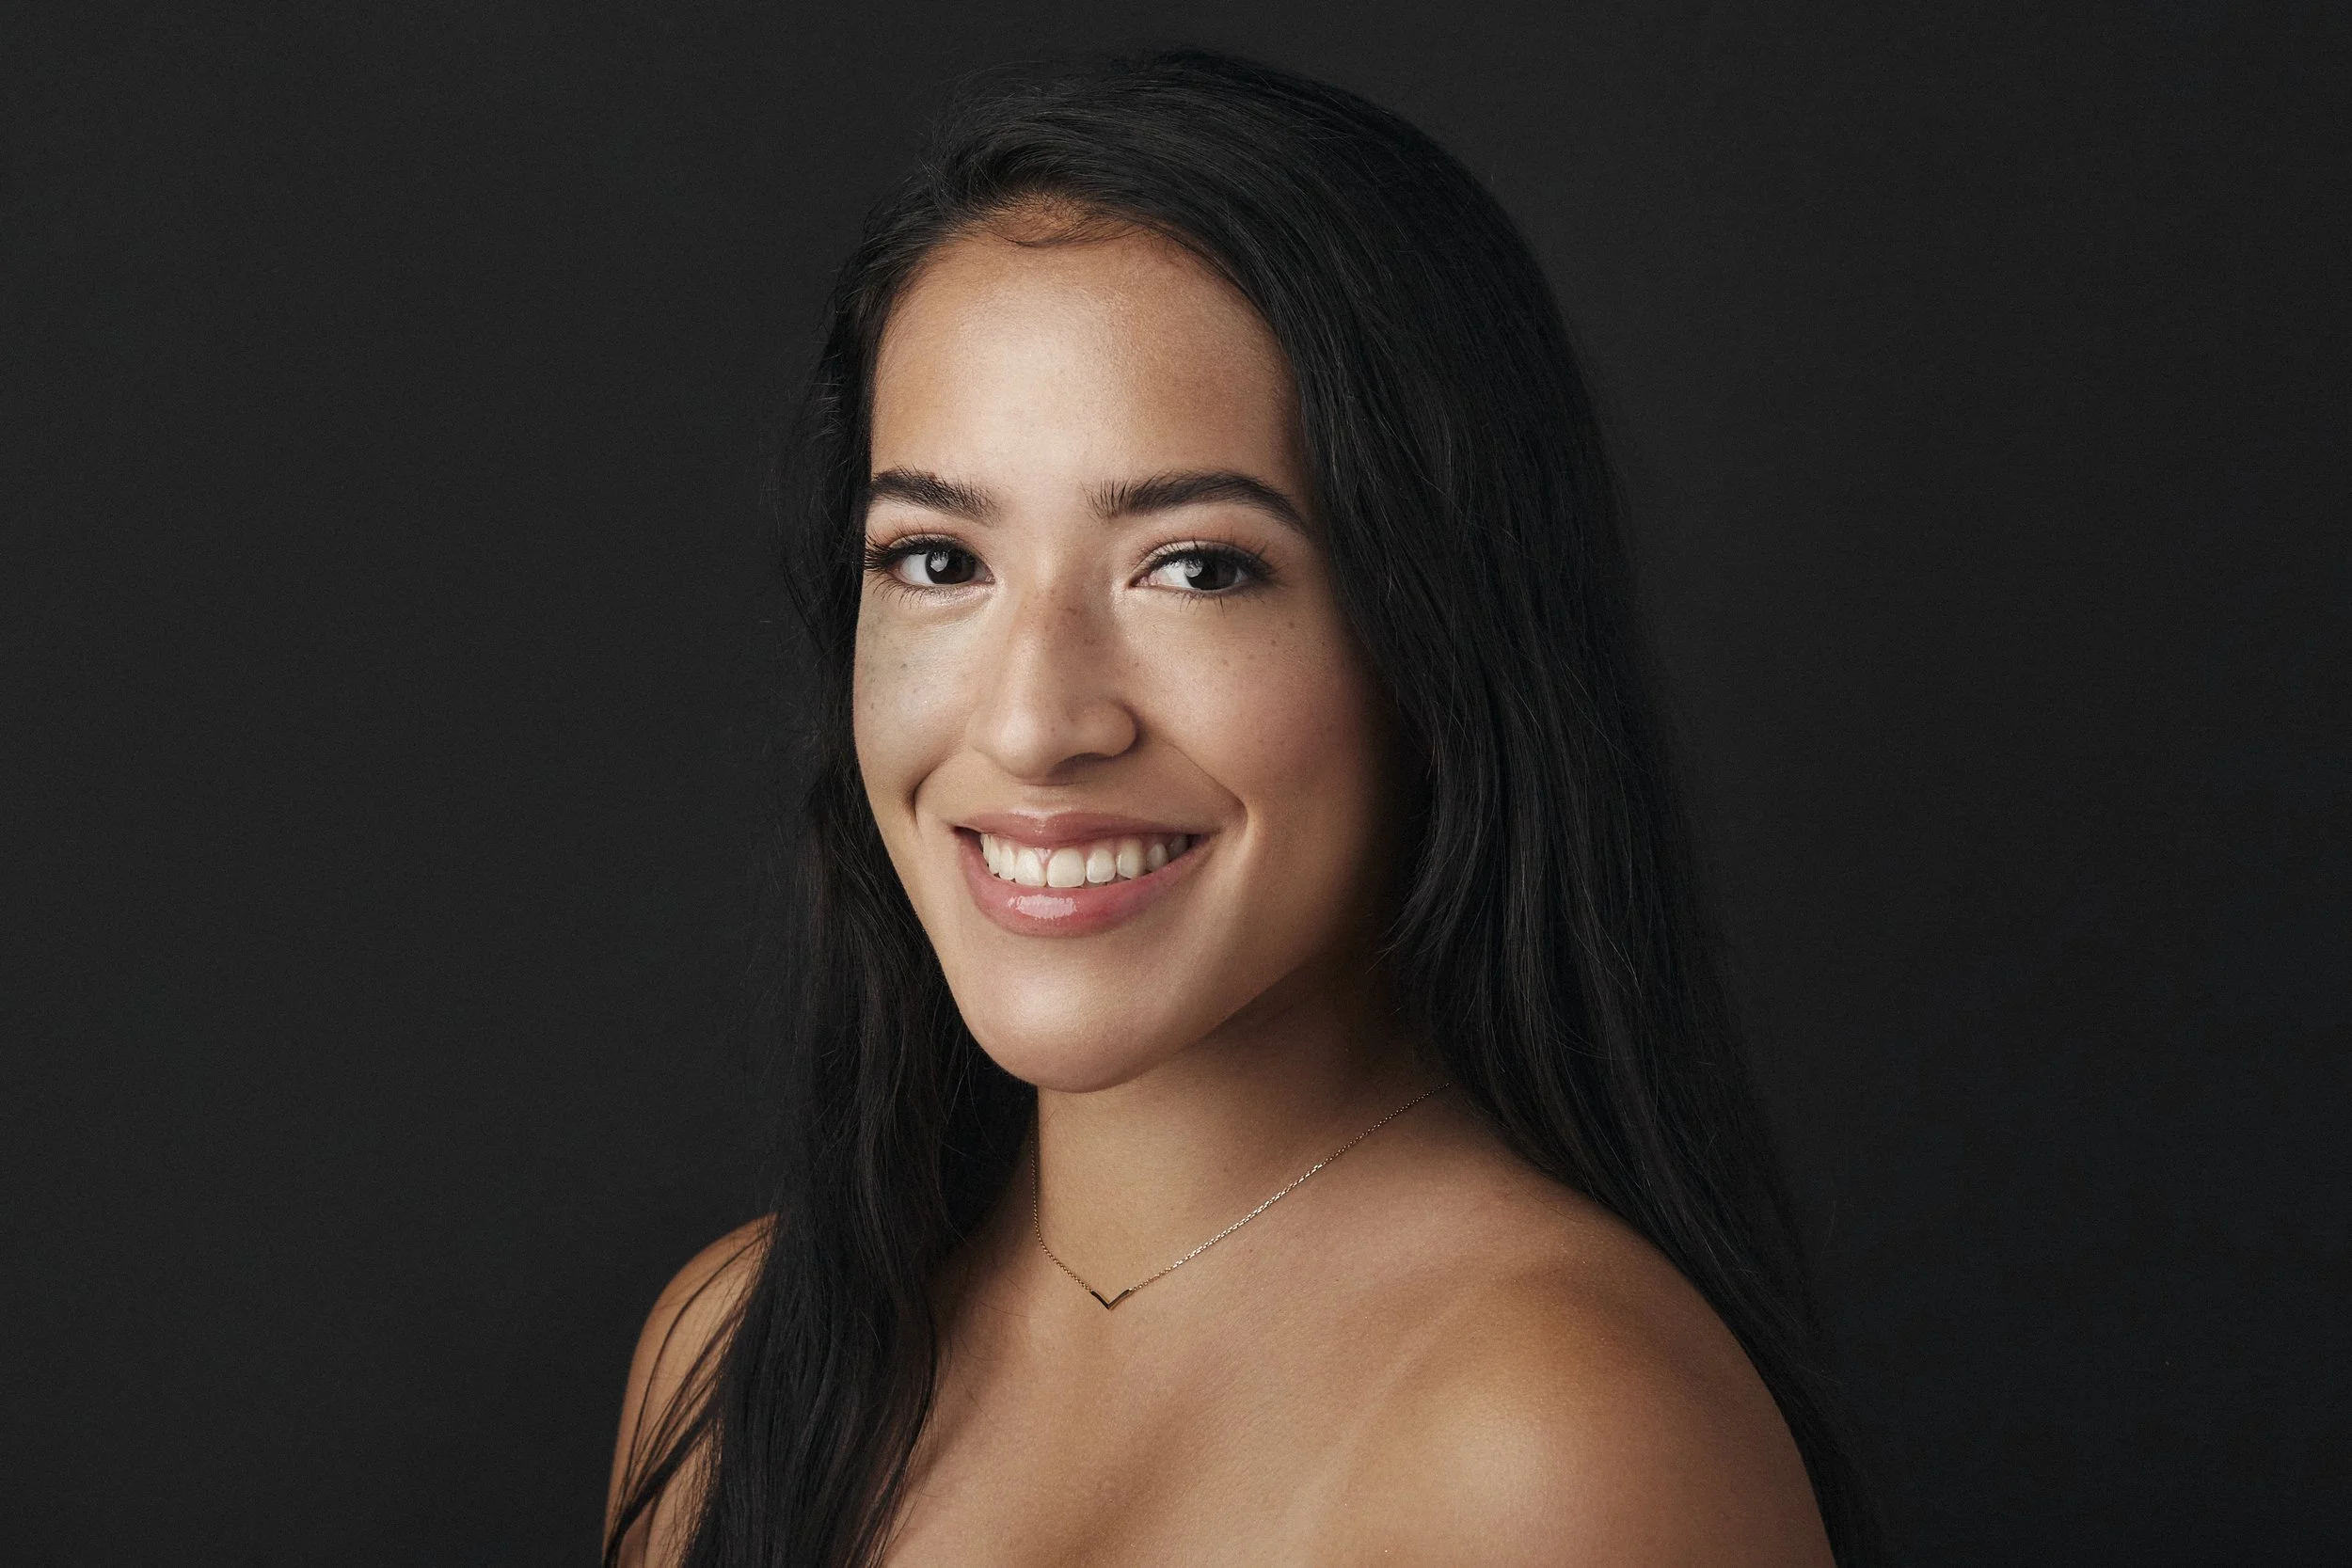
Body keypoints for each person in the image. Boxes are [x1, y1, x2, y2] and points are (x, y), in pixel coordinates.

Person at [605, 48, 1874, 1567]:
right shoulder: (736, 1356)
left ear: (1440, 644)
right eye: (939, 560)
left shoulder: (1550, 1434)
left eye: (1197, 567)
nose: (1033, 722)